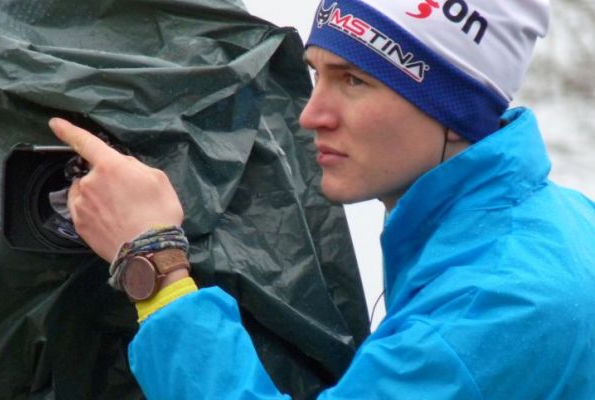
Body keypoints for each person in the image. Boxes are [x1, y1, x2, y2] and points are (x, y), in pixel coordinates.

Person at [48, 0, 595, 398]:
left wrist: (156, 268)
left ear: (454, 107)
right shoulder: (559, 218)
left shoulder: (491, 307)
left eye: (354, 80)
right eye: (316, 74)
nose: (311, 115)